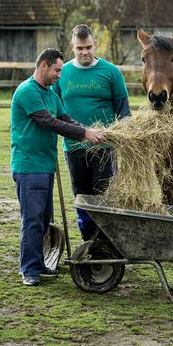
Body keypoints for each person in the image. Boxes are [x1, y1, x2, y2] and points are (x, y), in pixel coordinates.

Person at [11, 48, 106, 286]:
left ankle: (39, 263)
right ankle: (29, 269)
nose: (59, 75)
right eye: (57, 70)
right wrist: (85, 133)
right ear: (43, 65)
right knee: (32, 219)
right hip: (28, 166)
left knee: (43, 220)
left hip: (45, 165)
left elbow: (65, 119)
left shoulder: (51, 94)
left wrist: (89, 130)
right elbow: (49, 122)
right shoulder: (27, 92)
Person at [52, 24, 130, 241]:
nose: (84, 52)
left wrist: (123, 136)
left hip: (104, 147)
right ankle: (89, 241)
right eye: (79, 48)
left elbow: (123, 110)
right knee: (82, 196)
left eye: (88, 47)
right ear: (72, 47)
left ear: (95, 45)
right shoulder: (63, 73)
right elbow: (53, 108)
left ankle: (105, 241)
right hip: (74, 146)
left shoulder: (111, 72)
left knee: (103, 196)